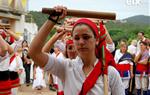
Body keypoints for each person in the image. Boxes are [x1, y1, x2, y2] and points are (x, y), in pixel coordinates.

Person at [29, 6, 125, 95]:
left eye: (86, 37)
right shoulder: (65, 67)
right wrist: (52, 20)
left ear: (97, 40)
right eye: (76, 38)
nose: (81, 42)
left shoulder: (110, 73)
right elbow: (34, 53)